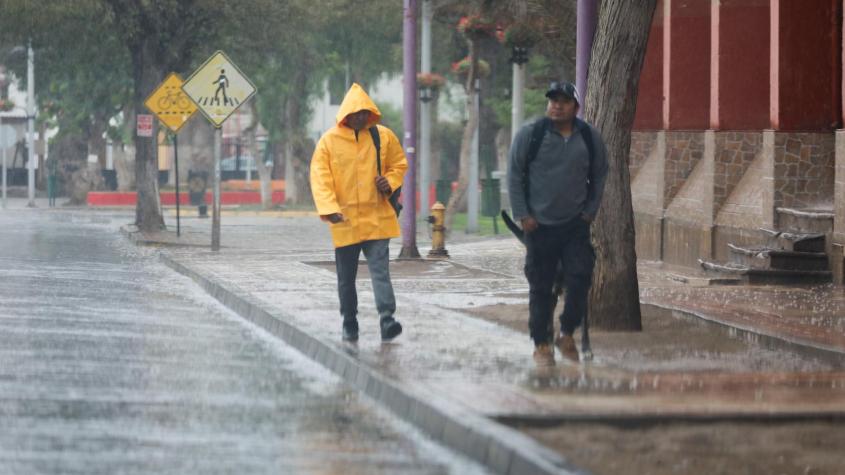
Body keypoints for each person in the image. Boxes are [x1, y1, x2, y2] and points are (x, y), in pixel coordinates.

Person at [507, 81, 608, 366]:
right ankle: (541, 343)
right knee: (541, 286)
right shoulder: (531, 135)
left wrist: (590, 210)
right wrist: (523, 214)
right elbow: (514, 175)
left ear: (575, 107)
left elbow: (600, 174)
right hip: (538, 227)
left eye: (564, 101)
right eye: (552, 100)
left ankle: (566, 333)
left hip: (575, 225)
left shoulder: (589, 138)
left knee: (580, 278)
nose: (557, 105)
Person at [310, 83, 408, 343]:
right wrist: (329, 210)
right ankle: (349, 322)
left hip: (377, 218)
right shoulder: (328, 142)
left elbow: (399, 164)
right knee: (346, 278)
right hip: (345, 221)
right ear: (345, 115)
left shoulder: (383, 136)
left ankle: (387, 319)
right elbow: (320, 179)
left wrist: (390, 180)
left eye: (365, 112)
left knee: (380, 272)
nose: (362, 117)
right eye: (357, 113)